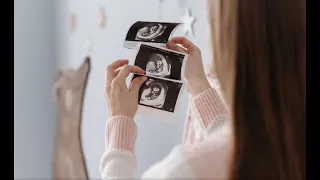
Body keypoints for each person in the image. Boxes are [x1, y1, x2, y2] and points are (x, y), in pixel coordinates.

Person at [100, 0, 305, 179]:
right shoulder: (287, 143)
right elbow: (232, 140)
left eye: (211, 22)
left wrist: (120, 123)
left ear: (228, 38)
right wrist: (199, 84)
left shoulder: (183, 170)